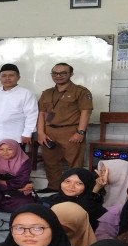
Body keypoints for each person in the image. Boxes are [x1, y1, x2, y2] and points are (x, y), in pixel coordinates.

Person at [36, 63, 93, 192]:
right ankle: (54, 187)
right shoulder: (47, 93)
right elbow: (42, 114)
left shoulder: (81, 92)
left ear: (71, 74)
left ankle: (74, 190)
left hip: (71, 131)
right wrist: (41, 133)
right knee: (50, 161)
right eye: (55, 73)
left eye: (63, 73)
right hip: (49, 131)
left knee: (75, 163)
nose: (58, 76)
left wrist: (80, 132)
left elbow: (86, 112)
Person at [40, 168, 107, 229]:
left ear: (88, 186)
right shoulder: (47, 202)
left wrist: (95, 190)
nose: (71, 186)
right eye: (67, 181)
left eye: (79, 183)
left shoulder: (94, 208)